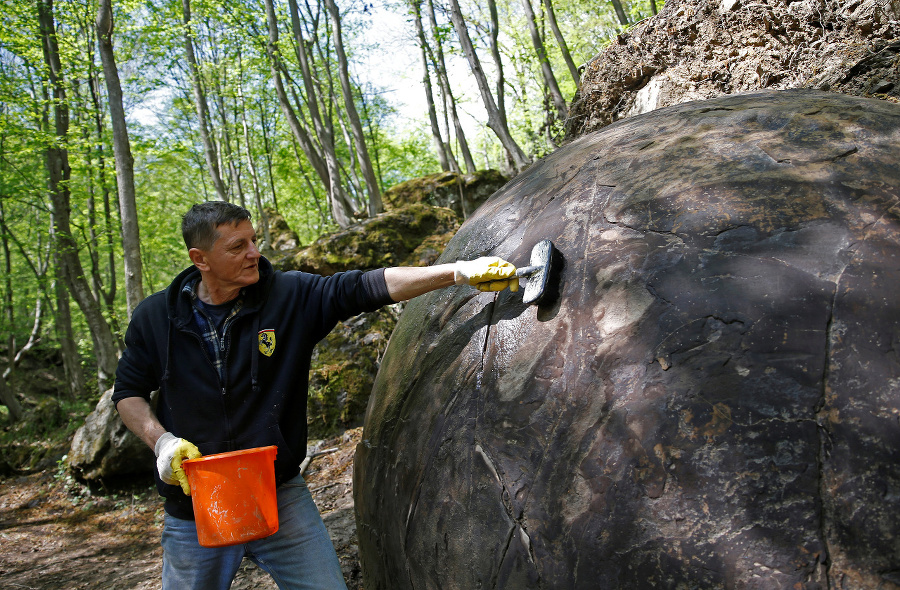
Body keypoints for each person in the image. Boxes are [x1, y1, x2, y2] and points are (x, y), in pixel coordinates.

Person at [112, 201, 518, 590]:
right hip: (194, 508)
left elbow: (366, 285)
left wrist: (459, 272)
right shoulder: (155, 318)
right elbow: (128, 392)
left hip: (279, 495)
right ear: (200, 259)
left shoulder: (288, 296)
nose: (254, 253)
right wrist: (161, 442)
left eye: (254, 240)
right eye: (238, 246)